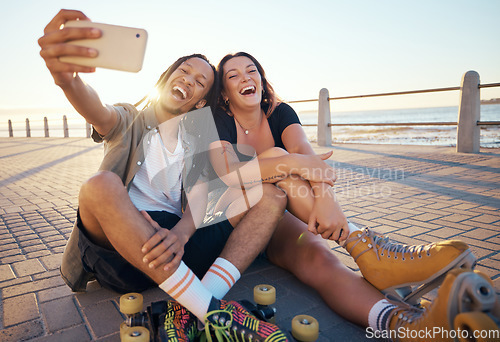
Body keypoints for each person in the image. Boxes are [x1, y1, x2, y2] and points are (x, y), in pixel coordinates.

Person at [38, 11, 303, 341]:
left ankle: (190, 306)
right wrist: (67, 79)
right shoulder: (128, 120)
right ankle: (211, 312)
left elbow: (202, 194)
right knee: (99, 185)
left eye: (200, 81)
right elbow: (97, 110)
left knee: (271, 196)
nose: (189, 80)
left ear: (200, 101)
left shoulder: (199, 135)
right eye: (184, 71)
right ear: (167, 78)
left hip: (175, 247)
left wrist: (180, 233)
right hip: (124, 244)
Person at [208, 52, 482, 340]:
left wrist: (327, 200)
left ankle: (405, 324)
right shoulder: (220, 118)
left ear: (262, 81)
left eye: (251, 71)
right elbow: (230, 172)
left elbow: (307, 156)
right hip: (231, 217)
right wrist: (288, 163)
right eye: (233, 75)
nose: (245, 78)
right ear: (225, 93)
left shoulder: (280, 112)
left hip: (276, 216)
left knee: (322, 260)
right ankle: (361, 244)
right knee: (278, 156)